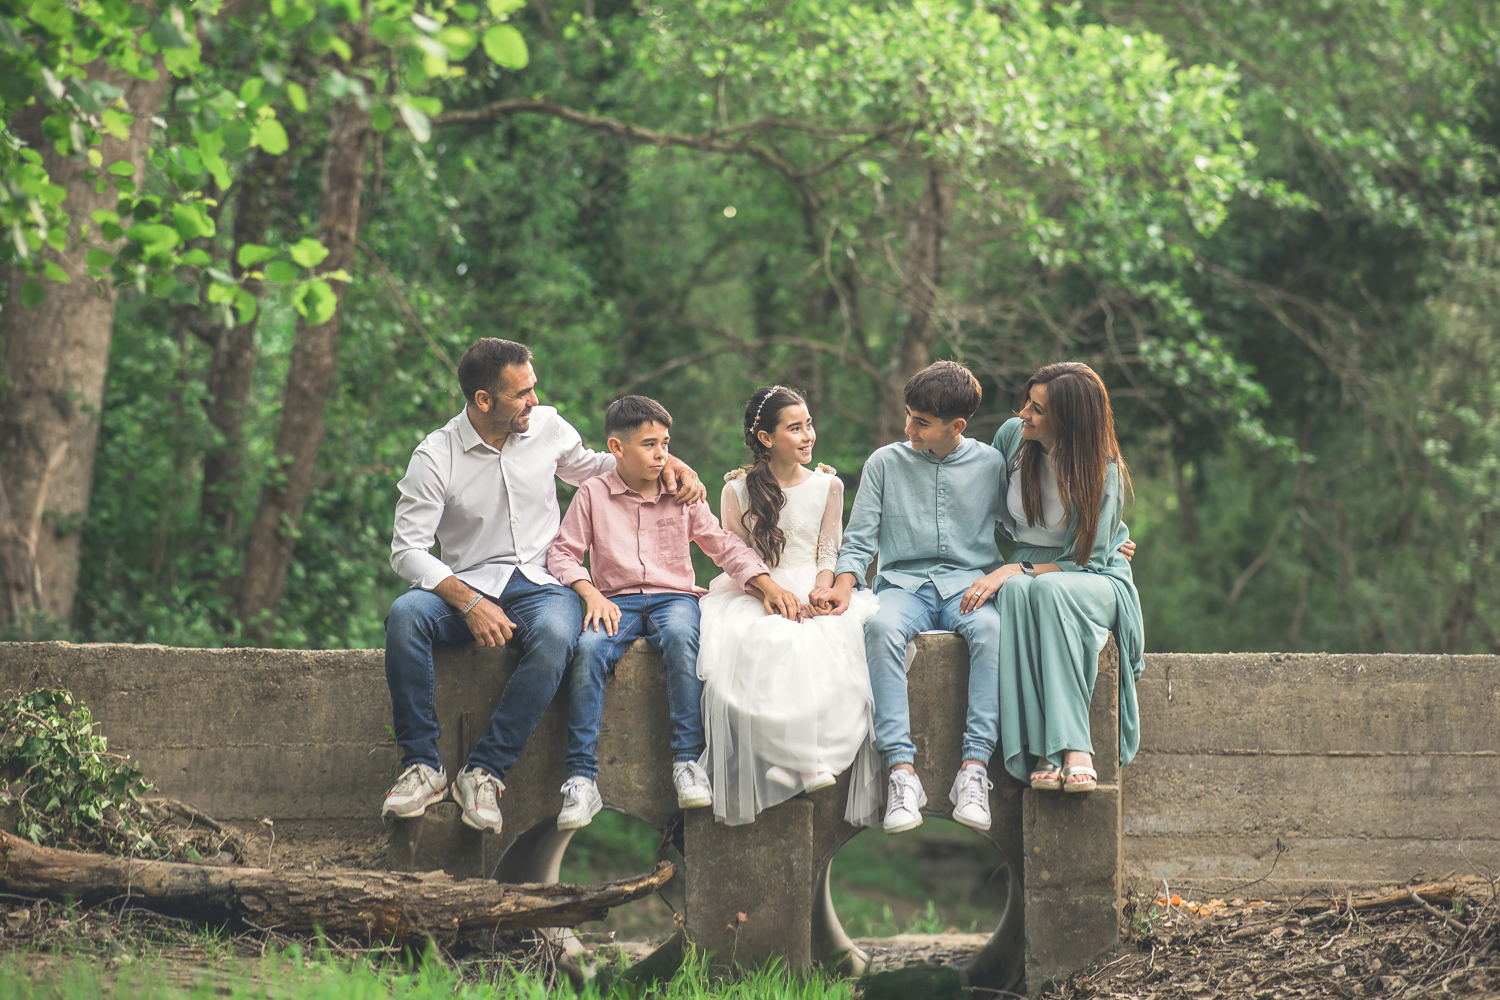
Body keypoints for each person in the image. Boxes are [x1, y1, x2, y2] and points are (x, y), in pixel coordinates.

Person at [381, 339, 705, 835]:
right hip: (467, 583)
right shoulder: (435, 455)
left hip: (542, 583)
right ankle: (423, 766)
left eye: (534, 388)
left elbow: (604, 467)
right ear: (484, 400)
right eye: (522, 393)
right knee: (406, 615)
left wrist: (671, 462)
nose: (535, 400)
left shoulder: (548, 427)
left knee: (558, 635)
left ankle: (485, 772)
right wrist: (468, 602)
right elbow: (407, 550)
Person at [546, 395, 802, 830]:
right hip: (615, 598)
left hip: (674, 596)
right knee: (588, 650)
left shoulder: (682, 492)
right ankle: (581, 779)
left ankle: (687, 763)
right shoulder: (593, 493)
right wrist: (589, 593)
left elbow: (723, 546)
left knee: (685, 641)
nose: (662, 454)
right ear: (616, 448)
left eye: (665, 443)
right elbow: (563, 553)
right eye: (649, 445)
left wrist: (765, 585)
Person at [814, 362, 1008, 834]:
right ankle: (902, 773)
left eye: (920, 422)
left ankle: (974, 770)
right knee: (879, 629)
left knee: (991, 632)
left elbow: (1026, 528)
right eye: (908, 416)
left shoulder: (992, 465)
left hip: (968, 584)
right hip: (904, 586)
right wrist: (841, 587)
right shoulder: (884, 463)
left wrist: (1106, 542)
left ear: (956, 427)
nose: (908, 428)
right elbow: (859, 539)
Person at [697, 386, 883, 828]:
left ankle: (800, 758)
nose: (808, 436)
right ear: (766, 439)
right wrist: (767, 595)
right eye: (795, 428)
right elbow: (736, 558)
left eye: (809, 425)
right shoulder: (736, 490)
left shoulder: (828, 485)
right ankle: (796, 756)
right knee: (757, 649)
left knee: (828, 649)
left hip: (811, 584)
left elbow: (827, 552)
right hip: (755, 591)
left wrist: (822, 591)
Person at [966, 362, 1145, 792]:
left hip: (1093, 576)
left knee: (1043, 588)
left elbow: (1089, 559)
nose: (1024, 413)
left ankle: (1073, 747)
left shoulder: (1104, 470)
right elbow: (975, 499)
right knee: (1014, 596)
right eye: (1028, 401)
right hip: (1036, 569)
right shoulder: (1013, 438)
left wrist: (1015, 568)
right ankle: (1045, 749)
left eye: (1038, 409)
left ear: (1068, 421)